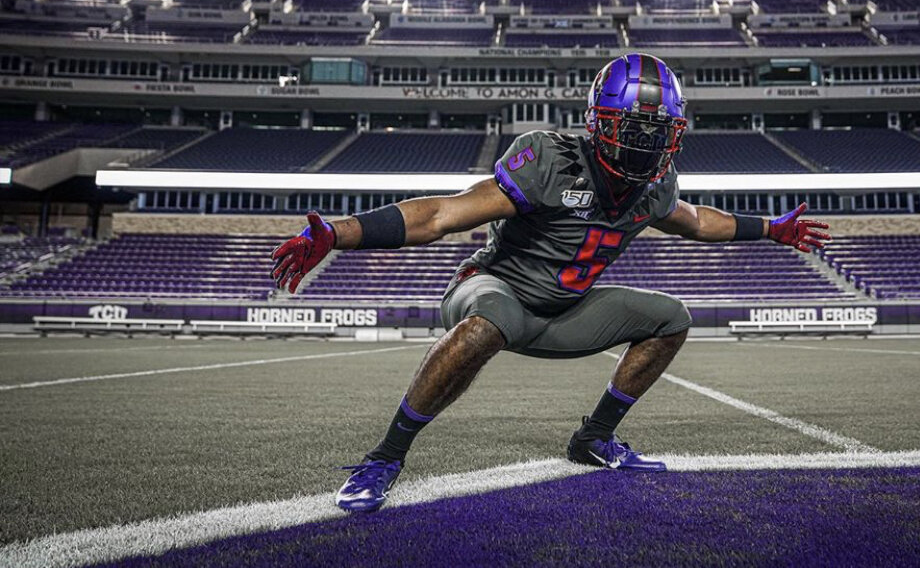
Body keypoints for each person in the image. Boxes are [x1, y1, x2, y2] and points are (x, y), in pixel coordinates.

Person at [271, 53, 830, 512]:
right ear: (597, 123)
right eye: (629, 128)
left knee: (671, 317)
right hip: (495, 289)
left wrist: (771, 230)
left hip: (566, 310)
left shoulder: (656, 185)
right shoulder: (550, 159)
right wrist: (340, 233)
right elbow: (442, 214)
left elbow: (698, 220)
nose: (642, 144)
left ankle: (593, 438)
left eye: (655, 132)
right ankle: (385, 457)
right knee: (484, 326)